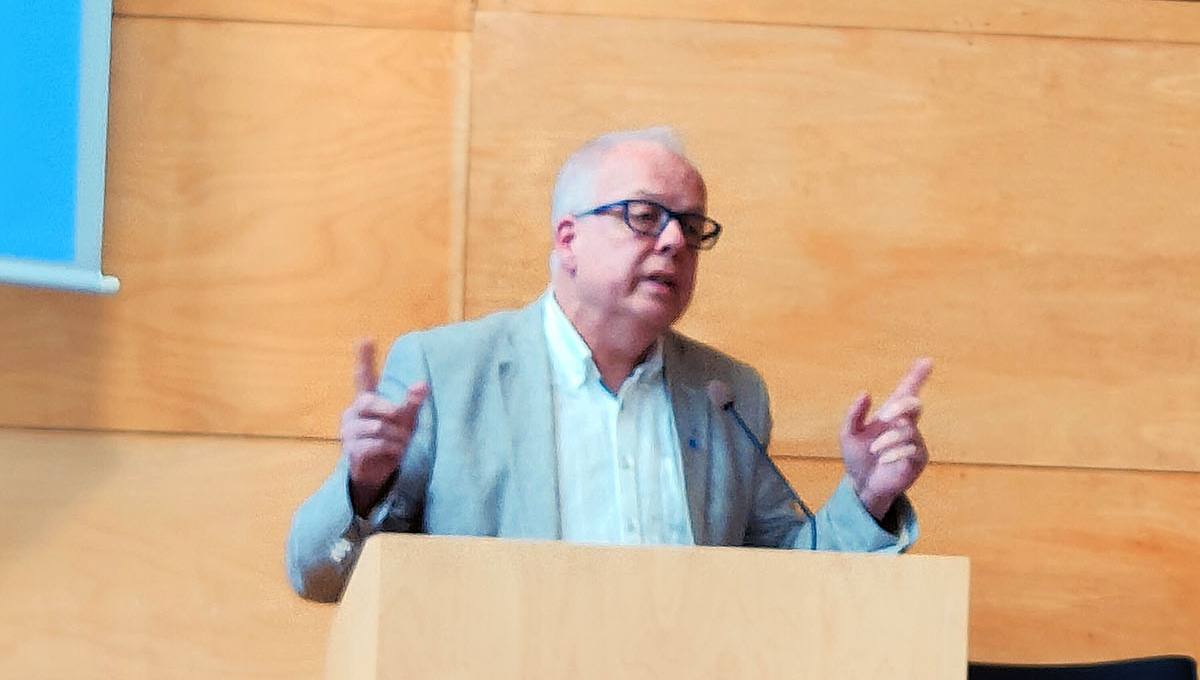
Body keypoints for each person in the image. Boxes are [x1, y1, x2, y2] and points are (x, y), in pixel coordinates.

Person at [286, 128, 930, 602]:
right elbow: (320, 575)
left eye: (692, 228)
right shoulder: (448, 373)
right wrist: (363, 486)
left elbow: (791, 584)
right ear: (568, 240)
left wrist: (869, 498)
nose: (674, 241)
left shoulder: (725, 393)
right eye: (645, 216)